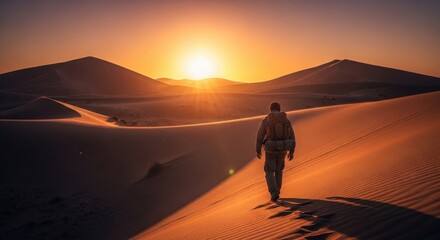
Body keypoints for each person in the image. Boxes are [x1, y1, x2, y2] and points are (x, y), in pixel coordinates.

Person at [256, 102, 296, 202]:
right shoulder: (285, 120)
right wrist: (291, 151)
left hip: (270, 150)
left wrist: (258, 150)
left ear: (270, 109)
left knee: (269, 171)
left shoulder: (267, 120)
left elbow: (260, 136)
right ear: (279, 108)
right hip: (283, 150)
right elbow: (292, 136)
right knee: (279, 171)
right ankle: (277, 191)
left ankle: (274, 192)